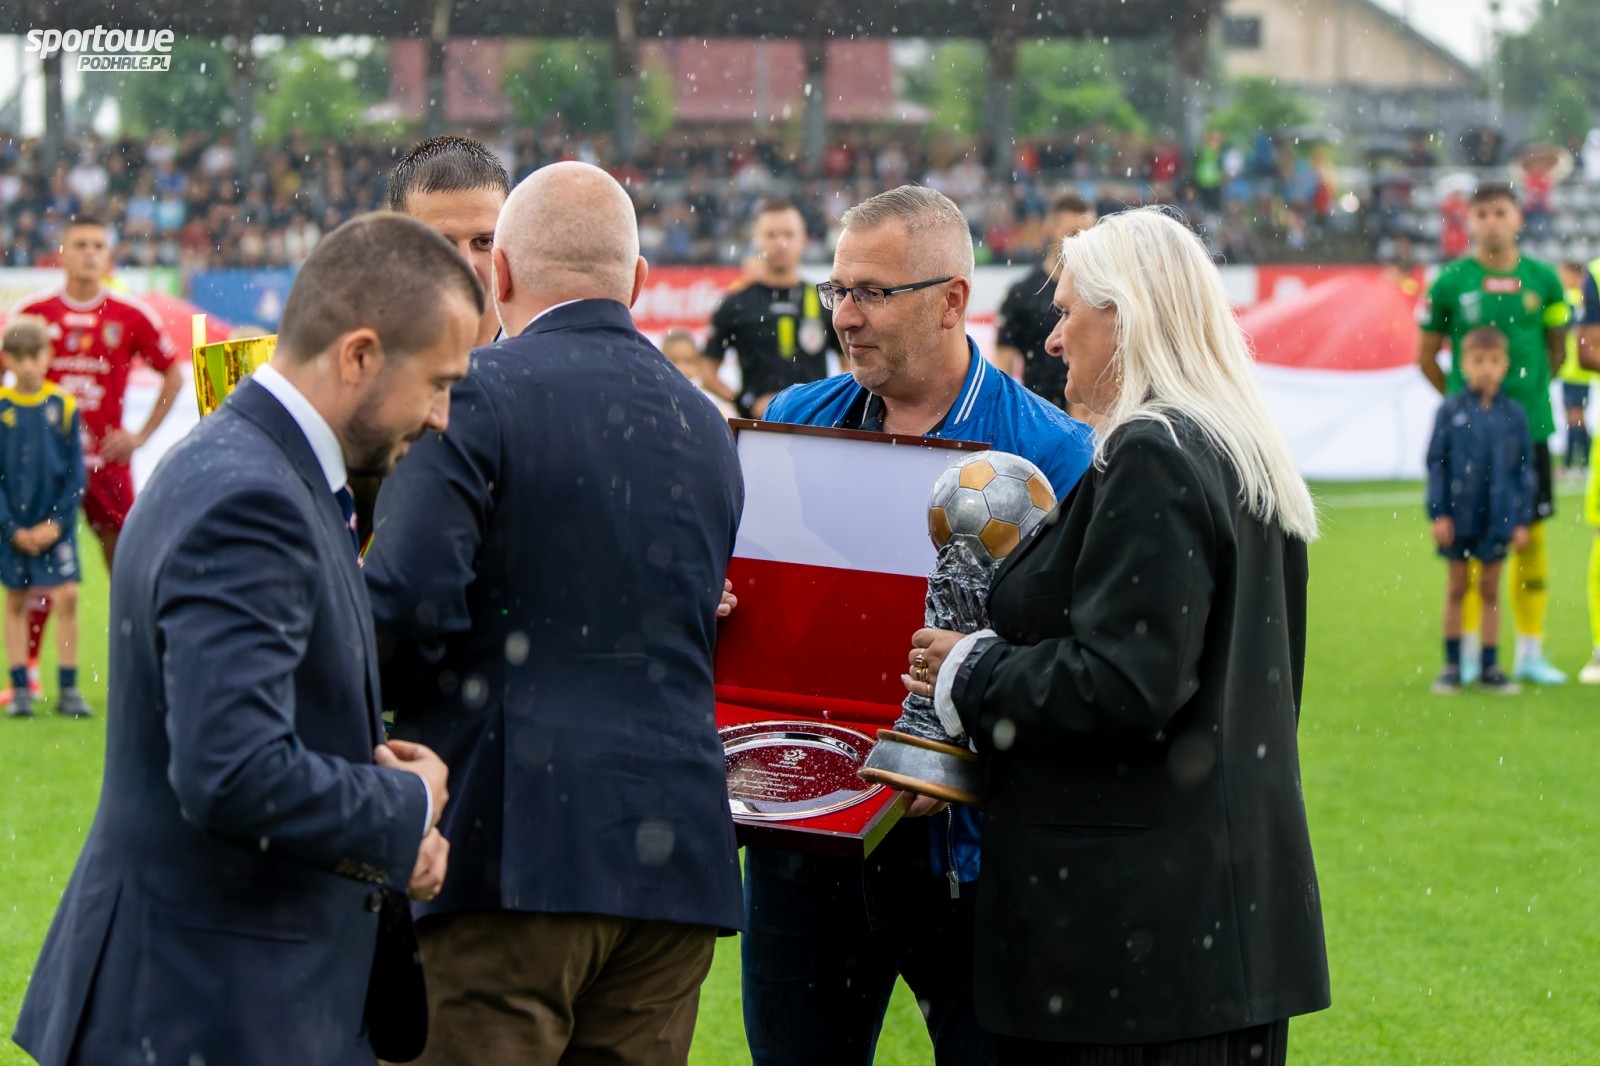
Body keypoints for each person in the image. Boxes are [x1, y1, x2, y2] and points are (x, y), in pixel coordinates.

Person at [11, 214, 475, 1066]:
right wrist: (403, 808)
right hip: (205, 1008)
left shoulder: (258, 465)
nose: (443, 416)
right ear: (359, 356)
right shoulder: (252, 497)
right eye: (437, 382)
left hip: (216, 996)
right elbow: (232, 768)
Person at [902, 206, 1330, 1064]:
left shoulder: (1152, 451)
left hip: (1134, 950)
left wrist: (971, 671)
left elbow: (1128, 684)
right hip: (1213, 927)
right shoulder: (1235, 450)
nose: (1053, 338)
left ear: (1126, 317)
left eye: (1067, 312)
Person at [364, 161, 744, 1066]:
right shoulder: (704, 424)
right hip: (673, 863)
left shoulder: (473, 392)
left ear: (499, 273)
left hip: (510, 850)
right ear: (638, 280)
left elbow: (406, 605)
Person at [744, 185, 1096, 1066]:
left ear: (950, 300)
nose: (844, 316)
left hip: (968, 859)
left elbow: (1081, 663)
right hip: (804, 840)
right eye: (838, 290)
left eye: (872, 292)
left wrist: (971, 730)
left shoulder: (1054, 454)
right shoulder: (790, 424)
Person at [10, 215, 184, 701]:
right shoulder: (34, 314)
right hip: (47, 471)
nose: (89, 253)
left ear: (109, 256)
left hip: (108, 466)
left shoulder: (130, 315)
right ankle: (28, 674)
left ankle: (145, 669)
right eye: (80, 244)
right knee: (38, 569)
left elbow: (173, 374)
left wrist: (140, 435)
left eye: (98, 245)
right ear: (63, 253)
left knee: (127, 566)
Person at [1417, 183, 1569, 686]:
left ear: (1518, 217)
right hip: (1470, 441)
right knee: (1466, 545)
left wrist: (1521, 404)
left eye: (1500, 212)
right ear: (1469, 221)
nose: (1492, 222)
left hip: (1529, 432)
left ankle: (1529, 651)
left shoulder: (1544, 280)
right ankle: (1465, 656)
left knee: (1529, 540)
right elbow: (1426, 356)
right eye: (1481, 213)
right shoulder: (1450, 282)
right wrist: (1462, 410)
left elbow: (1557, 350)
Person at [1426, 328, 1533, 695]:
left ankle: (1490, 666)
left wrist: (1521, 518)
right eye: (1478, 360)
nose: (1486, 368)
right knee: (1457, 586)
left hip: (1498, 516)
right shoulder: (1450, 411)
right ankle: (1452, 665)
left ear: (1505, 365)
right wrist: (1439, 513)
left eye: (1493, 361)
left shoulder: (1514, 414)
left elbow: (1523, 471)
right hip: (1459, 515)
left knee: (1490, 589)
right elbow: (1437, 464)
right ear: (1464, 364)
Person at [0, 315, 87, 719]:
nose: (27, 365)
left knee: (67, 596)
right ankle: (20, 688)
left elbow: (76, 474)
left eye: (34, 356)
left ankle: (68, 689)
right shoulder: (2, 408)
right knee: (16, 599)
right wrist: (11, 528)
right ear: (7, 360)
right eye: (18, 358)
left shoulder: (63, 406)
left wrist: (56, 523)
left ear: (48, 356)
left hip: (56, 525)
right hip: (13, 527)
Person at [702, 198, 839, 418]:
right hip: (758, 427)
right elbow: (707, 373)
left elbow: (850, 363)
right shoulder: (735, 304)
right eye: (771, 235)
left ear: (803, 239)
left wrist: (830, 403)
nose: (780, 243)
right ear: (756, 240)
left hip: (816, 424)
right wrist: (745, 403)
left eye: (788, 235)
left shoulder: (823, 299)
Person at [387, 134, 511, 350]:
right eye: (442, 245)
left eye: (484, 242)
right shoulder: (363, 363)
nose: (466, 266)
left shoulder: (550, 361)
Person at [995, 192, 1095, 416]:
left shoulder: (1100, 292)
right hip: (1037, 416)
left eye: (1088, 234)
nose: (1081, 242)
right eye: (1073, 234)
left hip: (1089, 420)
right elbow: (1003, 363)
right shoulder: (1023, 293)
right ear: (1049, 229)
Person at [1556, 261, 1594, 480]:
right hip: (1581, 370)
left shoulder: (1570, 299)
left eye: (1564, 274)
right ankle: (1583, 462)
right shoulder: (1584, 299)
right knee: (1578, 416)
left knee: (1574, 416)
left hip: (1572, 369)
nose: (1562, 278)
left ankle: (1573, 464)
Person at [662, 328, 737, 417]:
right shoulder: (658, 396)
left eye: (688, 361)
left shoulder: (709, 400)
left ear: (698, 364)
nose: (680, 368)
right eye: (673, 361)